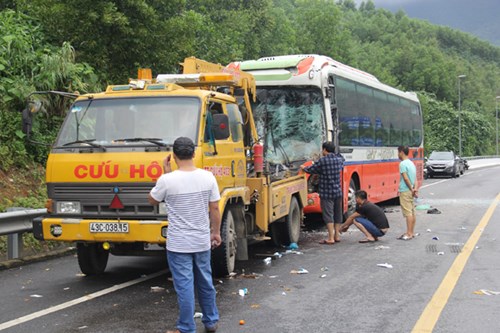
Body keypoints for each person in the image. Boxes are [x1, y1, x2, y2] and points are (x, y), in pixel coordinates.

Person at [148, 137, 221, 333]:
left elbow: (152, 200)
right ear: (194, 153)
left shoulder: (167, 180)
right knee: (205, 281)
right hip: (201, 241)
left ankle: (187, 327)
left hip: (178, 244)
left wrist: (166, 173)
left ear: (174, 156)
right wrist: (215, 232)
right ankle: (211, 321)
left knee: (185, 287)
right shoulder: (208, 178)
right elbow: (214, 208)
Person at [301, 141, 344, 244]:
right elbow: (341, 156)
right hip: (337, 191)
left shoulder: (322, 161)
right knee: (337, 214)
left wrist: (304, 168)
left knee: (328, 215)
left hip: (326, 192)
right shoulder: (339, 160)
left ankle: (330, 238)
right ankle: (337, 235)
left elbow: (311, 169)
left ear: (325, 150)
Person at [397, 145, 418, 240]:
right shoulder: (411, 163)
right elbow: (415, 179)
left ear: (401, 152)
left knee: (408, 212)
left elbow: (405, 178)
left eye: (398, 152)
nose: (398, 154)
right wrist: (415, 189)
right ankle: (412, 232)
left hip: (405, 190)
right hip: (411, 190)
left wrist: (410, 188)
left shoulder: (402, 164)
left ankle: (409, 233)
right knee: (412, 212)